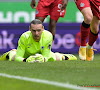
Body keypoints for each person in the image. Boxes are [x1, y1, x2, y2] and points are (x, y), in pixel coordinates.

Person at [0, 19, 77, 63]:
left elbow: (46, 56)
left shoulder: (48, 36)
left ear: (43, 29)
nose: (36, 33)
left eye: (39, 30)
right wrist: (26, 60)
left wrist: (43, 59)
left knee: (54, 58)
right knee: (13, 57)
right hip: (26, 55)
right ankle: (9, 53)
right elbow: (18, 57)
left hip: (41, 54)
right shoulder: (24, 36)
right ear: (29, 29)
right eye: (33, 31)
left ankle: (64, 56)